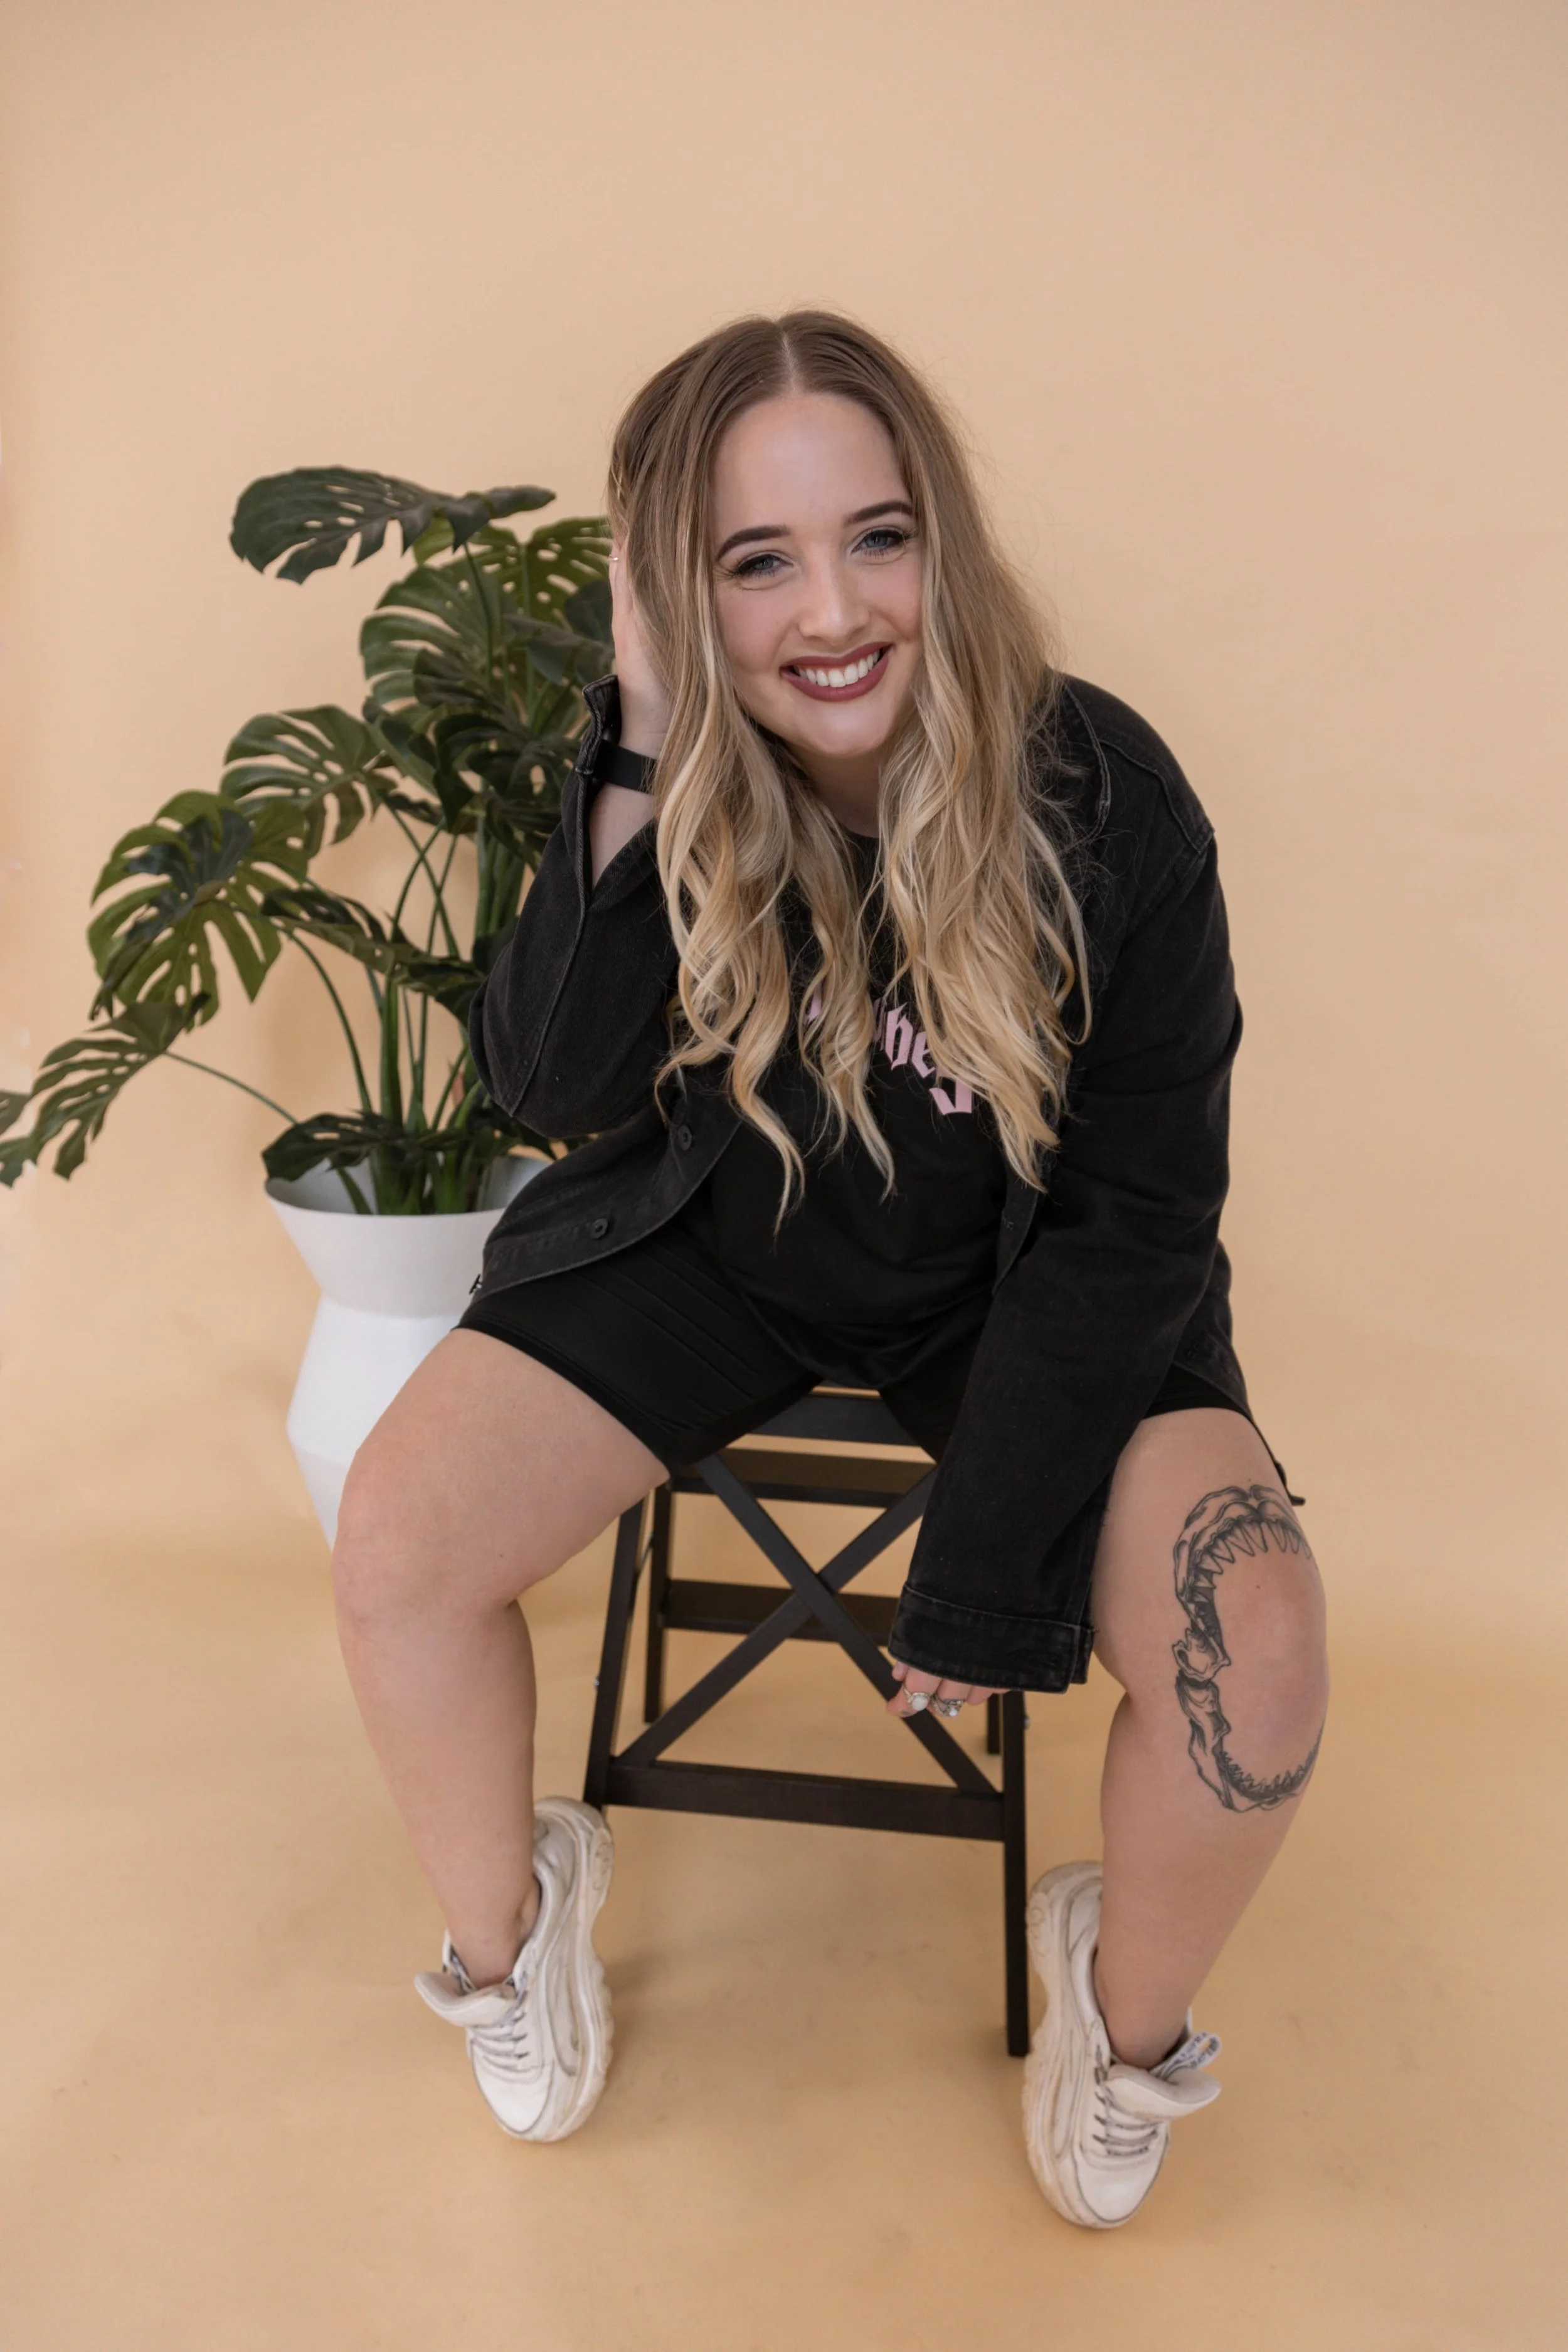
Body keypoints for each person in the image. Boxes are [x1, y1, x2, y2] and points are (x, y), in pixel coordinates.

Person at [332, 311, 1328, 2228]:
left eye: (873, 535)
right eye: (752, 559)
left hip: (1017, 1293)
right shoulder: (679, 764)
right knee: (397, 1544)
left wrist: (989, 1574)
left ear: (940, 537)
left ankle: (1115, 2024)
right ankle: (507, 1930)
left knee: (1255, 1652)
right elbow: (544, 1087)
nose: (828, 610)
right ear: (680, 593)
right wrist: (636, 731)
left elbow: (1132, 1218)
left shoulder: (1104, 797)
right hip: (711, 1253)